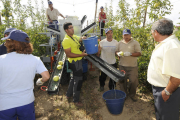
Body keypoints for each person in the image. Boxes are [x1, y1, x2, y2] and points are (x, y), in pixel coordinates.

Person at [0, 30, 50, 120]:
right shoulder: (35, 59)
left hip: (5, 104)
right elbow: (46, 76)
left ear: (10, 43)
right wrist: (40, 81)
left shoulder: (1, 59)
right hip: (26, 102)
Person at [147, 18, 180, 120]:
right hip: (163, 89)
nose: (152, 34)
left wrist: (167, 92)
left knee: (167, 116)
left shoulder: (172, 46)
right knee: (161, 115)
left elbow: (176, 76)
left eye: (152, 32)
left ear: (156, 32)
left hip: (168, 90)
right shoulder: (166, 44)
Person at [62, 22, 87, 107]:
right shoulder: (66, 40)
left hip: (78, 61)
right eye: (70, 28)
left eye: (72, 27)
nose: (72, 29)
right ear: (66, 30)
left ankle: (68, 95)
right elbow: (68, 54)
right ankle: (76, 100)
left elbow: (80, 39)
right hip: (75, 62)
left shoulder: (73, 37)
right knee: (78, 80)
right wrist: (81, 55)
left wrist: (84, 38)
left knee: (73, 78)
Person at [116, 29, 141, 102]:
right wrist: (118, 54)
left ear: (130, 35)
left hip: (132, 66)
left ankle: (132, 95)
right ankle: (124, 94)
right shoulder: (119, 43)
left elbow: (139, 53)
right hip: (122, 65)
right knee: (122, 81)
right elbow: (116, 51)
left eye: (127, 35)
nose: (126, 36)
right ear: (122, 35)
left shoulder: (135, 43)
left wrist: (130, 54)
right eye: (124, 35)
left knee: (133, 81)